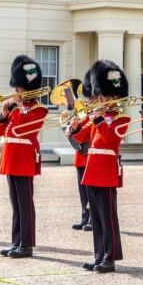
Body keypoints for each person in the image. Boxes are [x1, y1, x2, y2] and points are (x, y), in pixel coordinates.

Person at [70, 60, 129, 273]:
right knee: (96, 217)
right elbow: (82, 137)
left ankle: (110, 257)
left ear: (114, 98)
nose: (100, 100)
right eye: (99, 96)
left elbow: (110, 140)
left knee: (108, 216)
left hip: (107, 170)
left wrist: (100, 119)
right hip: (93, 170)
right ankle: (98, 255)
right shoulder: (97, 118)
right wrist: (75, 127)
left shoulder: (121, 118)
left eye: (104, 97)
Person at [0, 55, 48, 258]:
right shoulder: (15, 109)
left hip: (25, 158)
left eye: (19, 89)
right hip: (11, 157)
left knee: (25, 203)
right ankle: (16, 241)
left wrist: (16, 109)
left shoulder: (39, 109)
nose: (16, 92)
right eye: (16, 89)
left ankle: (26, 244)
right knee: (15, 203)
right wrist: (4, 113)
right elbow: (0, 132)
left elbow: (26, 129)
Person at [65, 72, 93, 232]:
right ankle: (84, 217)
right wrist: (69, 127)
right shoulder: (81, 113)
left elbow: (87, 133)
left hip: (89, 154)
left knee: (90, 190)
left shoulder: (91, 115)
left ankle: (92, 219)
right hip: (80, 155)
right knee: (82, 190)